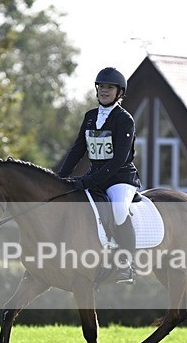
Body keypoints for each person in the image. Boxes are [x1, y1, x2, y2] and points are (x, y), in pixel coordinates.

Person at [58, 67, 141, 284]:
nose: (104, 91)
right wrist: (59, 178)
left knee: (120, 209)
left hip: (120, 179)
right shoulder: (90, 116)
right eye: (101, 87)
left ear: (118, 92)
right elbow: (78, 150)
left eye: (109, 87)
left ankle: (127, 263)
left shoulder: (124, 120)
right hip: (95, 176)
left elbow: (118, 159)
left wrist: (89, 180)